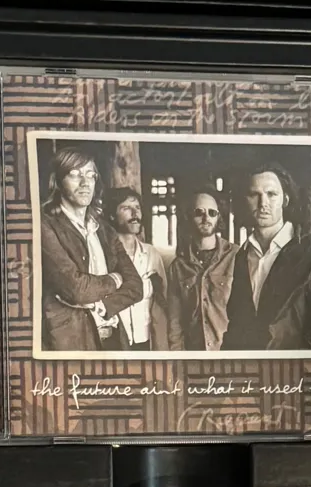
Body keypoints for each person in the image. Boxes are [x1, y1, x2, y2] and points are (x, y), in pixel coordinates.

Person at [220, 163, 311, 351]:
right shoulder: (242, 255)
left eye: (271, 194)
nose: (263, 203)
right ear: (245, 200)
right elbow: (237, 322)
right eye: (254, 194)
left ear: (285, 199)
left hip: (297, 364)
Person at [39, 147, 144, 351]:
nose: (85, 183)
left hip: (113, 337)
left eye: (90, 175)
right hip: (72, 340)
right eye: (74, 174)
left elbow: (136, 285)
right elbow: (76, 289)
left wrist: (103, 305)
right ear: (58, 181)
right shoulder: (46, 225)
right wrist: (115, 279)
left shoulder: (104, 229)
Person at [164, 190, 239, 350]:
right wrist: (178, 356)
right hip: (194, 354)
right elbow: (175, 322)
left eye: (212, 213)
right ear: (188, 217)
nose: (206, 218)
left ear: (219, 217)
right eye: (199, 212)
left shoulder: (237, 257)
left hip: (228, 352)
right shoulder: (178, 267)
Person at [103, 187, 168, 350]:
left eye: (137, 208)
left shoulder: (151, 254)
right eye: (126, 208)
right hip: (115, 340)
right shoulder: (104, 255)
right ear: (112, 215)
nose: (135, 213)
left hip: (146, 340)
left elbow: (164, 297)